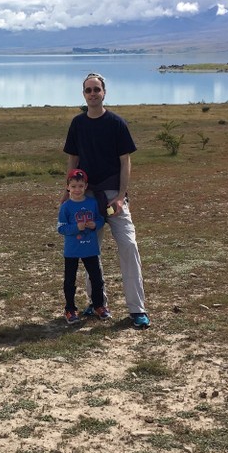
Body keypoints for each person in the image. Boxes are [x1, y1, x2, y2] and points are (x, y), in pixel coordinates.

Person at [63, 72, 150, 329]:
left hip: (113, 196)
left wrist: (122, 196)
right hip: (87, 197)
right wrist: (67, 191)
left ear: (104, 92)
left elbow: (125, 161)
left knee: (129, 247)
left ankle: (137, 309)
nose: (92, 94)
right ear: (83, 94)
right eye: (88, 90)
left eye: (96, 90)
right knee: (90, 248)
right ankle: (96, 302)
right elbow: (73, 159)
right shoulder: (77, 124)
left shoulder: (116, 123)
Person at [57, 168, 109, 324]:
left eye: (80, 186)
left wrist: (95, 225)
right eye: (73, 186)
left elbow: (101, 220)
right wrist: (75, 228)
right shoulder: (66, 206)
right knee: (70, 281)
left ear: (86, 186)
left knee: (96, 279)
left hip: (90, 249)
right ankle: (70, 309)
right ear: (68, 187)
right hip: (72, 250)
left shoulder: (92, 203)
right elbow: (60, 228)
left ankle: (99, 306)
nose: (77, 189)